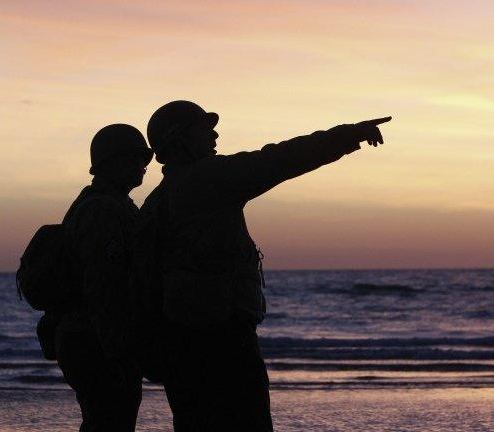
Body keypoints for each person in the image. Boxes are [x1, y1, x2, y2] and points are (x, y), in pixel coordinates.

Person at [139, 100, 390, 431]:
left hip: (182, 340)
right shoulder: (205, 180)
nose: (214, 135)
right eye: (204, 129)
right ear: (180, 139)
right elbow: (278, 160)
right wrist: (346, 136)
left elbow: (144, 282)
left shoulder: (157, 200)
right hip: (221, 339)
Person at [55, 124, 153, 432]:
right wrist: (117, 350)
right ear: (113, 162)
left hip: (93, 339)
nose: (143, 167)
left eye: (145, 158)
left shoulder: (112, 205)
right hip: (96, 343)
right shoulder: (103, 211)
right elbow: (104, 286)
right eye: (137, 159)